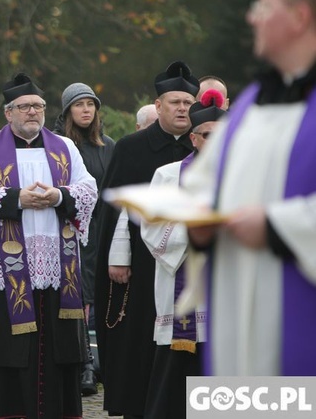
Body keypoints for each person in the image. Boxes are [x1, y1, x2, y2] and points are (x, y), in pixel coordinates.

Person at [185, 0, 316, 376]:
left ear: (299, 16)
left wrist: (277, 226)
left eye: (262, 6)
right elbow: (203, 185)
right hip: (236, 316)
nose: (251, 17)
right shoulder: (247, 105)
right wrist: (199, 223)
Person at [0, 73, 97, 419]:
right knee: (5, 349)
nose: (32, 112)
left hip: (56, 268)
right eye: (24, 107)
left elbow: (88, 190)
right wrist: (16, 198)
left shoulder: (65, 148)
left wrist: (58, 196)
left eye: (38, 106)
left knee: (55, 350)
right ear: (8, 113)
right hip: (6, 274)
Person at [94, 61, 198, 418]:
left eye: (188, 102)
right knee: (138, 339)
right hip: (141, 263)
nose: (183, 108)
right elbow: (115, 211)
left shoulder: (203, 149)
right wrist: (117, 256)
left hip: (193, 267)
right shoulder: (131, 147)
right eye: (175, 102)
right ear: (158, 106)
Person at [140, 91, 225, 419]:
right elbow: (152, 227)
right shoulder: (168, 175)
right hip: (186, 282)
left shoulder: (242, 175)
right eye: (208, 136)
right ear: (193, 138)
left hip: (228, 283)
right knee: (180, 370)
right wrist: (196, 229)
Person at [53, 82, 115, 396]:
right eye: (79, 105)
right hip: (70, 233)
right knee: (76, 299)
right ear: (67, 111)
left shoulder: (108, 146)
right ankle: (83, 367)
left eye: (91, 104)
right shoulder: (59, 146)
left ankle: (98, 363)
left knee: (97, 299)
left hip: (102, 233)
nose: (86, 110)